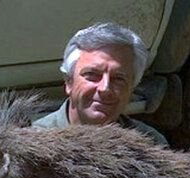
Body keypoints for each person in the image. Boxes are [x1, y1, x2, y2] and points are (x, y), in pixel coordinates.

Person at [33, 23, 168, 146]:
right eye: (92, 75)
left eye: (119, 79)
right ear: (69, 82)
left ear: (132, 88)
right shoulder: (34, 145)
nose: (105, 88)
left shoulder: (151, 145)